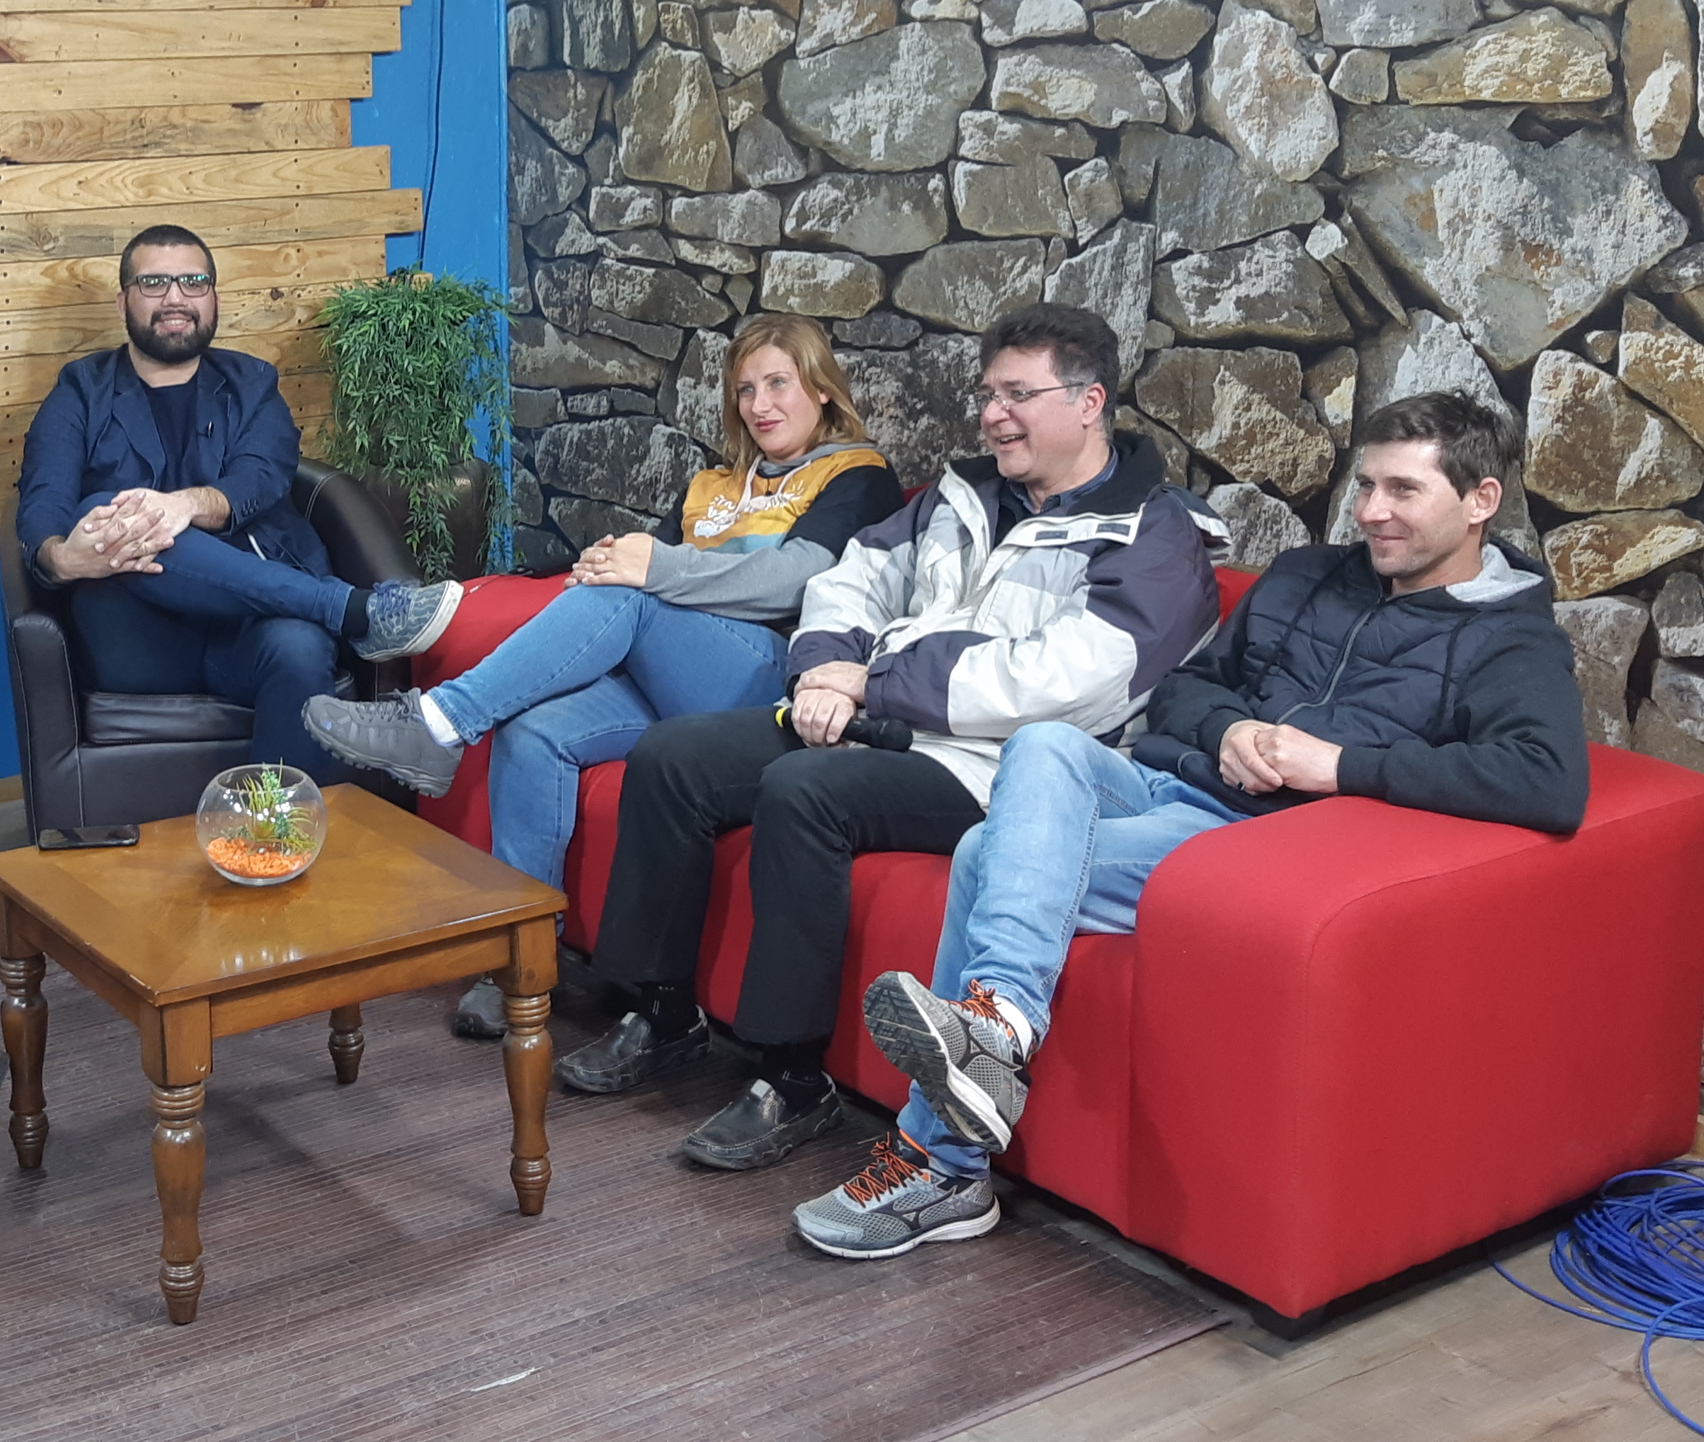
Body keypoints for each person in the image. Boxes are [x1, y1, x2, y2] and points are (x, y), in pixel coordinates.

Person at [797, 391, 1589, 1261]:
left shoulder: (1509, 637)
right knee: (1045, 743)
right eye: (1367, 486)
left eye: (1403, 490)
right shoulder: (1309, 575)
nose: (1371, 512)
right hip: (1172, 779)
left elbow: (1546, 781)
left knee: (988, 851)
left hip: (1260, 837)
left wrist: (1339, 766)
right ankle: (999, 1030)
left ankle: (945, 1159)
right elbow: (1185, 687)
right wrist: (1231, 729)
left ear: (1480, 500)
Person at [551, 303, 1226, 1174]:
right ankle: (663, 1010)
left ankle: (792, 1078)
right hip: (877, 717)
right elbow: (851, 579)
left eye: (1017, 395)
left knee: (805, 793)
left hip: (1006, 770)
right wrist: (820, 671)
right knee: (674, 757)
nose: (993, 415)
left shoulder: (1156, 536)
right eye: (989, 395)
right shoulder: (963, 494)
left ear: (1089, 402)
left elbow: (1071, 679)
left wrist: (875, 683)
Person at [301, 313, 905, 1039]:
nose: (760, 404)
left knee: (629, 594)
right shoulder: (714, 484)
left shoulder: (856, 474)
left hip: (775, 677)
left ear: (822, 389)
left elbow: (795, 580)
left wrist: (649, 568)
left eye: (779, 384)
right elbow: (664, 576)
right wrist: (610, 563)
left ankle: (437, 722)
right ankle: (523, 960)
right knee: (535, 730)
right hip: (676, 673)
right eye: (746, 390)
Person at [17, 224, 462, 778]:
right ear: (123, 300)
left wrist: (186, 505)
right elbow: (44, 498)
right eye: (154, 283)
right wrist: (62, 559)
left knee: (300, 649)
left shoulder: (252, 382)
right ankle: (347, 608)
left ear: (213, 298)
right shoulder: (80, 390)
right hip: (139, 637)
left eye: (193, 282)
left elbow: (263, 476)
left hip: (251, 625)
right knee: (106, 508)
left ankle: (275, 825)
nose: (175, 298)